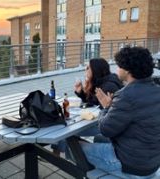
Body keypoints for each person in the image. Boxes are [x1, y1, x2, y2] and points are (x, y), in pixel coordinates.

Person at [81, 46, 160, 178]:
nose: (117, 69)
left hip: (132, 166)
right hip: (151, 161)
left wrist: (107, 107)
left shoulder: (126, 95)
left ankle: (89, 173)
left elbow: (105, 129)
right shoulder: (156, 89)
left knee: (74, 145)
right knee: (98, 139)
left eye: (119, 66)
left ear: (128, 70)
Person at [52, 58, 123, 155]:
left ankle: (59, 154)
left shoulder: (108, 86)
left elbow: (107, 112)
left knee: (67, 129)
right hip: (101, 121)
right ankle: (59, 152)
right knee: (68, 126)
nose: (85, 70)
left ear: (96, 70)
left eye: (88, 68)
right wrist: (81, 92)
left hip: (107, 126)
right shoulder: (101, 82)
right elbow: (94, 102)